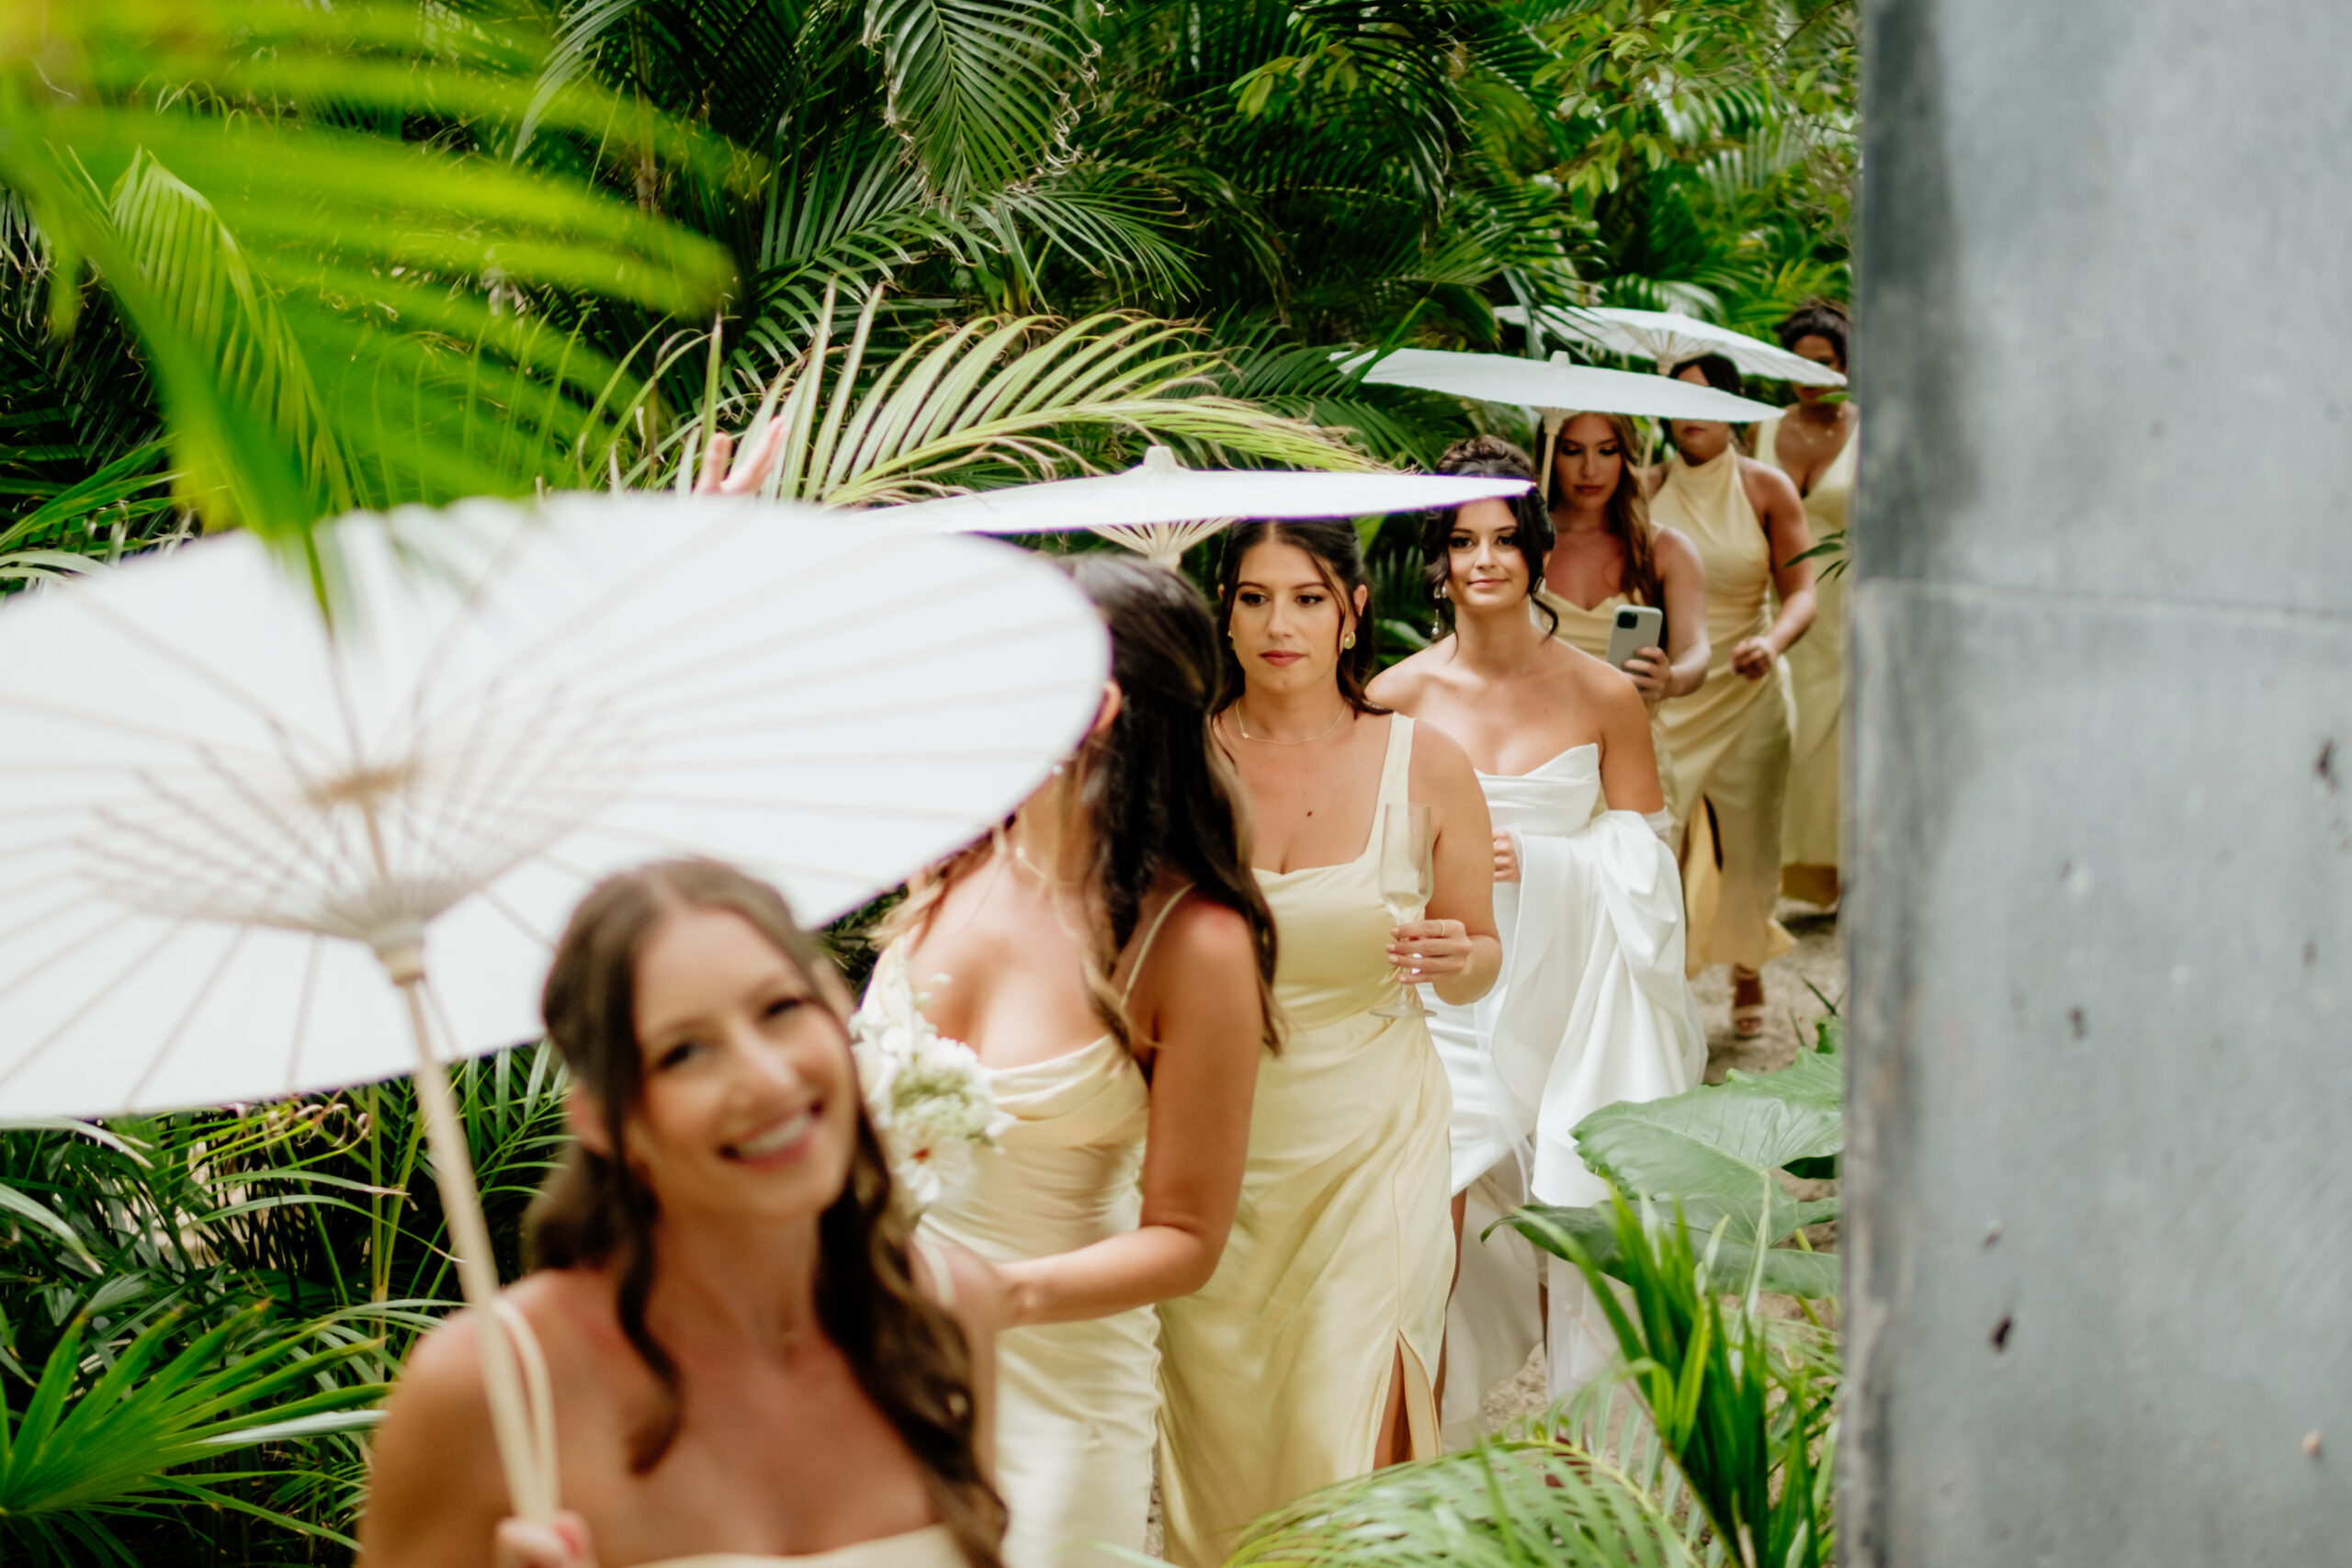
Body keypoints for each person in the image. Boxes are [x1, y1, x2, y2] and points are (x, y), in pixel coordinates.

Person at [359, 859, 1006, 1568]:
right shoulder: (491, 1388)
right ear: (605, 1120)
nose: (768, 1077)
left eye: (781, 1008)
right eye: (685, 1052)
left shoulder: (945, 1313)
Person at [866, 556, 1274, 1568]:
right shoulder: (950, 855)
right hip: (869, 1355)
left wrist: (995, 1297)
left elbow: (1185, 1236)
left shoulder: (1194, 943)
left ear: (1092, 710)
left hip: (1053, 1386)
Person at [1157, 520, 1499, 1567]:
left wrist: (1458, 956)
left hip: (1375, 1138)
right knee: (1222, 1434)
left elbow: (1482, 952)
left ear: (1352, 611)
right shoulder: (1179, 763)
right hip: (1218, 1147)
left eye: (1306, 598)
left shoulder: (1428, 762)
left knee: (1340, 1416)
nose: (1278, 624)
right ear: (1224, 612)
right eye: (1253, 597)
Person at [1372, 435, 1707, 1427]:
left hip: (1574, 996)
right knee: (1417, 1245)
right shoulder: (1394, 697)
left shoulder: (1602, 695)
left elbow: (1646, 859)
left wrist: (1552, 863)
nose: (1483, 561)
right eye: (1462, 541)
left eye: (1504, 541)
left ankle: (1595, 1464)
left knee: (1584, 1234)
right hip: (1444, 1010)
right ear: (1437, 560)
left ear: (1535, 552)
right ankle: (1406, 1469)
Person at [1650, 353, 1816, 1039]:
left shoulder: (1766, 487)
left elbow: (1802, 590)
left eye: (1706, 398)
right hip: (1670, 693)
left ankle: (1748, 967)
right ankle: (1662, 979)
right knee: (1660, 839)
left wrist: (1772, 643)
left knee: (1748, 843)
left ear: (1733, 406)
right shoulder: (1641, 486)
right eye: (1678, 398)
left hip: (1749, 686)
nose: (1691, 413)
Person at [1539, 408, 1713, 838]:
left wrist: (1669, 679)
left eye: (1607, 450)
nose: (1589, 468)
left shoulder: (1665, 549)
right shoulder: (1521, 548)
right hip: (1539, 763)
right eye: (1572, 450)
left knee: (1637, 893)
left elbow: (1697, 651)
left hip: (1632, 757)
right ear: (1549, 453)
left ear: (1627, 457)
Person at [1754, 302, 1857, 909]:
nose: (1810, 375)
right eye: (1797, 364)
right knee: (1786, 738)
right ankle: (1780, 874)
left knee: (1837, 747)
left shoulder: (1873, 427)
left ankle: (1847, 875)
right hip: (1777, 602)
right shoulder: (1760, 428)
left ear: (1845, 363)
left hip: (1850, 607)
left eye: (1822, 363)